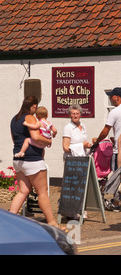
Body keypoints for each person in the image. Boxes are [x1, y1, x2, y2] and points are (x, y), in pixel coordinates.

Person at [9, 96, 62, 229]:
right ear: (33, 106)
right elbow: (36, 136)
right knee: (42, 192)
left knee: (23, 191)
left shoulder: (14, 119)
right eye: (36, 107)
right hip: (33, 160)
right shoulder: (30, 117)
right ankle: (52, 222)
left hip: (18, 159)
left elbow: (15, 140)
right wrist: (49, 141)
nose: (36, 110)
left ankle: (8, 221)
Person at [93, 87, 121, 212]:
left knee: (118, 176)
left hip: (119, 150)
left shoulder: (114, 112)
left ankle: (115, 203)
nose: (111, 99)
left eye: (112, 96)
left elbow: (105, 131)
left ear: (117, 97)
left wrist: (97, 142)